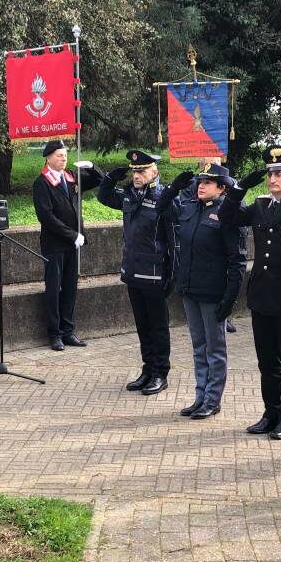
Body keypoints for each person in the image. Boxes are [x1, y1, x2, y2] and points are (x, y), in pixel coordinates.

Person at [219, 146, 281, 441]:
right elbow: (227, 218)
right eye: (270, 174)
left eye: (280, 173)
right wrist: (237, 190)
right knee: (268, 361)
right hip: (262, 295)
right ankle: (270, 411)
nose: (272, 179)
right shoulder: (261, 206)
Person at [156, 161, 246, 418]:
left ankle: (212, 400)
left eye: (207, 182)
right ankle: (200, 396)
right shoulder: (191, 208)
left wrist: (230, 298)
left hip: (213, 292)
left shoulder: (228, 214)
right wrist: (174, 187)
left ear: (222, 189)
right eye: (199, 181)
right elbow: (162, 207)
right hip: (189, 288)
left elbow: (237, 260)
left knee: (215, 349)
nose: (200, 186)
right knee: (198, 346)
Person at [98, 150, 175, 395]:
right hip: (133, 269)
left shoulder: (163, 197)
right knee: (142, 325)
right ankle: (148, 368)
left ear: (154, 172)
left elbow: (173, 239)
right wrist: (112, 177)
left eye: (141, 171)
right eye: (134, 172)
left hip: (154, 272)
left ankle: (160, 373)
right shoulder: (130, 196)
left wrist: (171, 274)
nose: (137, 176)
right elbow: (104, 196)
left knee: (157, 326)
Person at [32, 140, 103, 351]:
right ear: (48, 157)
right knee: (54, 289)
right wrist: (71, 235)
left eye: (65, 155)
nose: (63, 159)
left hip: (73, 243)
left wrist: (93, 168)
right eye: (59, 156)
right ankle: (54, 334)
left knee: (71, 287)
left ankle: (68, 331)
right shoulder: (42, 183)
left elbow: (99, 180)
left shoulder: (71, 176)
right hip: (55, 244)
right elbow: (46, 216)